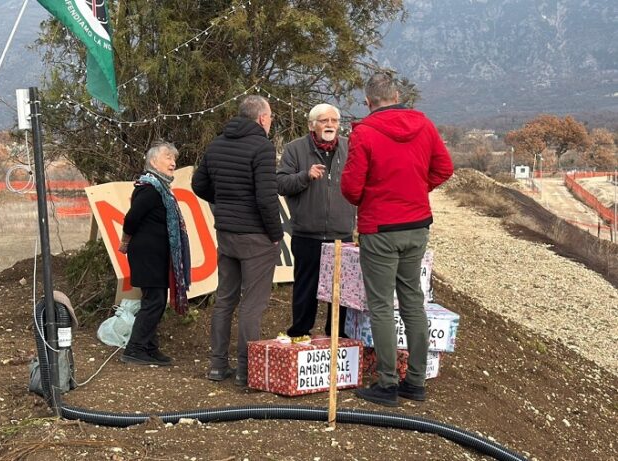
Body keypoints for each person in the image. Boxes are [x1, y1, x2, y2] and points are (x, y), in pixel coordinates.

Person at [341, 73, 453, 406]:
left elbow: (351, 188)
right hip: (417, 225)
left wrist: (377, 197)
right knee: (413, 302)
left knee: (380, 305)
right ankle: (415, 381)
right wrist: (417, 189)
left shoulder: (364, 133)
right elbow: (444, 168)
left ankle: (387, 383)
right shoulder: (424, 125)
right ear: (398, 96)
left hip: (380, 228)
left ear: (368, 102)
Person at [192, 95, 283, 387]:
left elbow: (198, 184)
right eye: (270, 116)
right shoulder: (262, 147)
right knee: (252, 305)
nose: (270, 121)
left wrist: (225, 202)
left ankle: (218, 365)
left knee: (225, 300)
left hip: (227, 232)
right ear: (262, 118)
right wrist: (276, 234)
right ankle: (247, 370)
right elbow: (266, 199)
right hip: (256, 236)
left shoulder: (217, 144)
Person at [277, 103, 356, 339]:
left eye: (334, 120)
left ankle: (339, 337)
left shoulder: (351, 147)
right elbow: (280, 184)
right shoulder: (295, 149)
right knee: (306, 288)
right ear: (312, 125)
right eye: (324, 121)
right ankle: (300, 334)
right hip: (307, 233)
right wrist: (305, 176)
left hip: (342, 234)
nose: (330, 125)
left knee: (341, 291)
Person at [118, 141, 191, 366]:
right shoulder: (150, 189)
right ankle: (135, 348)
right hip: (147, 255)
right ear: (153, 161)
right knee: (155, 301)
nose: (173, 162)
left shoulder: (161, 189)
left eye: (174, 158)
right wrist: (125, 240)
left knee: (155, 301)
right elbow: (131, 219)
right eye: (168, 157)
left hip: (156, 256)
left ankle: (149, 347)